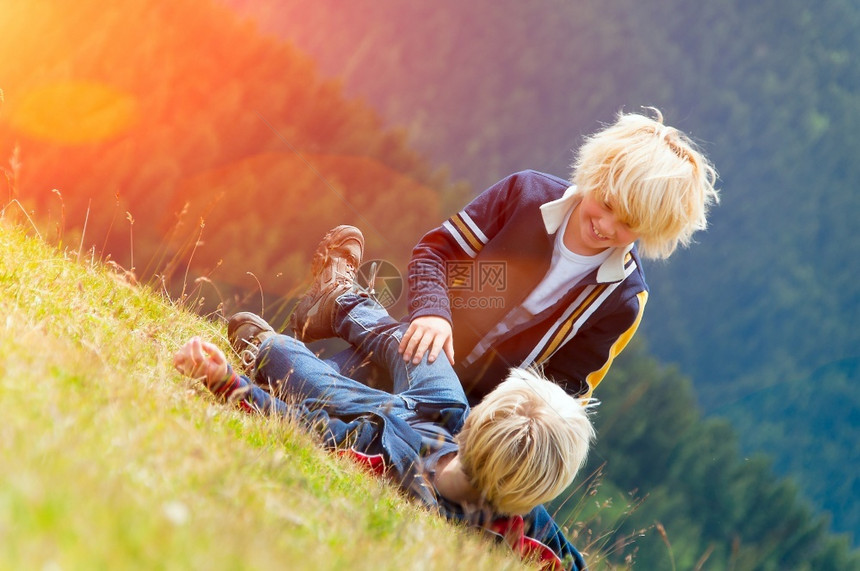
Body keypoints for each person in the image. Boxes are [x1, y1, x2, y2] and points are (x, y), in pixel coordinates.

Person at [175, 237, 596, 570]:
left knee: (291, 362)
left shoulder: (381, 456)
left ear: (479, 420)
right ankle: (337, 297)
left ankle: (261, 346)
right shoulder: (529, 527)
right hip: (441, 413)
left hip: (388, 422)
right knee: (420, 344)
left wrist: (226, 383)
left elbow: (301, 424)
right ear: (539, 490)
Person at [397, 108, 719, 401]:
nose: (606, 226)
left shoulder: (623, 299)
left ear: (651, 231)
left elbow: (567, 389)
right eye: (606, 204)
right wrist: (432, 313)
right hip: (415, 353)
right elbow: (435, 255)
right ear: (596, 173)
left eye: (629, 224)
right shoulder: (523, 195)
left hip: (471, 416)